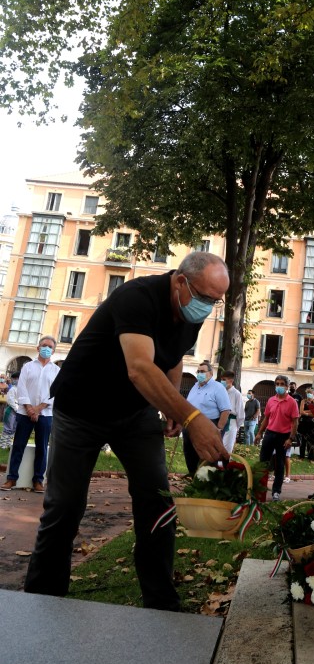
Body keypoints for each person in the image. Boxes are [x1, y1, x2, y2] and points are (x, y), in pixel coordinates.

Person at [24, 251, 230, 612]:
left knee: (157, 501)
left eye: (216, 301)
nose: (208, 308)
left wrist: (171, 405)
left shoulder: (190, 311)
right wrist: (192, 418)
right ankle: (41, 600)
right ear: (181, 282)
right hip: (81, 408)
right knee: (65, 506)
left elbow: (173, 355)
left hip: (135, 413)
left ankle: (161, 603)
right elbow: (139, 367)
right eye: (204, 298)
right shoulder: (137, 297)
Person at [1, 337, 60, 493]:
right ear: (38, 348)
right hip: (24, 413)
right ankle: (11, 478)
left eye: (50, 347)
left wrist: (39, 409)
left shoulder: (56, 370)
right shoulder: (27, 366)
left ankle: (38, 481)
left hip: (46, 414)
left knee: (42, 448)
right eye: (44, 345)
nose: (46, 348)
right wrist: (29, 408)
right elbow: (21, 388)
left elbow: (55, 392)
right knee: (18, 445)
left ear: (53, 350)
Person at [254, 374, 299, 502]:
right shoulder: (271, 400)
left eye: (282, 384)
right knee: (263, 463)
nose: (279, 386)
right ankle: (260, 490)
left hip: (283, 436)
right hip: (269, 434)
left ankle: (276, 492)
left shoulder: (292, 402)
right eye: (277, 384)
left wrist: (290, 439)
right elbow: (266, 418)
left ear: (287, 386)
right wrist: (259, 433)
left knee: (279, 464)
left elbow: (295, 422)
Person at [183, 359, 231, 476]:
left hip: (210, 424)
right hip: (191, 425)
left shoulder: (218, 387)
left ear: (211, 373)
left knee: (209, 455)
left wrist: (219, 429)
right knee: (189, 452)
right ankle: (193, 475)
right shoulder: (195, 386)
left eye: (202, 371)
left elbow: (226, 410)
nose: (199, 374)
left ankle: (208, 478)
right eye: (198, 371)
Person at [221, 370, 245, 453]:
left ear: (231, 380)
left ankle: (225, 461)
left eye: (224, 379)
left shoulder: (236, 394)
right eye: (222, 379)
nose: (222, 381)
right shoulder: (221, 392)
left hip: (231, 422)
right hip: (220, 421)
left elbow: (240, 413)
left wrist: (236, 427)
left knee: (227, 447)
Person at [298, 387, 314, 460]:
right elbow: (301, 412)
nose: (309, 394)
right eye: (308, 393)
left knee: (311, 440)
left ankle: (310, 457)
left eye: (310, 393)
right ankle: (301, 456)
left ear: (313, 394)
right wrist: (310, 411)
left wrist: (305, 412)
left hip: (312, 423)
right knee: (302, 440)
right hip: (303, 422)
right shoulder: (303, 401)